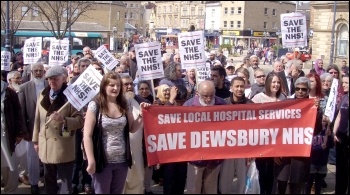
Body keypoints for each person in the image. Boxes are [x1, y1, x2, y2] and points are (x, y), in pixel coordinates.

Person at [83, 72, 150, 194]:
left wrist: (141, 115)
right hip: (102, 162)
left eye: (118, 85)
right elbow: (87, 135)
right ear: (104, 86)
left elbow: (132, 128)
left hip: (122, 161)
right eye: (112, 85)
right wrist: (91, 160)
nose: (115, 88)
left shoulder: (124, 104)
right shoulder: (95, 105)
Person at [32, 66, 84, 194]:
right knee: (49, 183)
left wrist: (64, 120)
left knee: (66, 184)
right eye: (49, 79)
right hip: (46, 145)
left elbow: (80, 120)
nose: (52, 82)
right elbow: (38, 119)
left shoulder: (71, 96)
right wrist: (36, 140)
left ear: (64, 79)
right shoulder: (43, 94)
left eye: (55, 79)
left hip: (63, 146)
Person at [184, 80, 226, 194]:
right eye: (205, 96)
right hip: (195, 158)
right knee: (193, 189)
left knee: (211, 189)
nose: (208, 99)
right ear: (197, 93)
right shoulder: (188, 106)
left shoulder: (222, 105)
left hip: (215, 158)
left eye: (211, 95)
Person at [251, 72, 287, 194]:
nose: (276, 85)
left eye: (278, 82)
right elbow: (250, 119)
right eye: (273, 82)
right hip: (261, 143)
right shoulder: (258, 98)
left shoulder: (283, 98)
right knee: (262, 173)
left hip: (277, 143)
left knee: (273, 175)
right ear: (268, 83)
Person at [17, 62, 48, 194]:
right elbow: (21, 111)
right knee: (32, 158)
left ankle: (49, 182)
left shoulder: (49, 85)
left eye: (41, 70)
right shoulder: (24, 87)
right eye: (36, 70)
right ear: (31, 72)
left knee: (48, 157)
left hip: (48, 129)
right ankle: (34, 183)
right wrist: (24, 131)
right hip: (31, 129)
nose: (38, 73)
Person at [219, 77, 253, 194]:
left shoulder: (251, 104)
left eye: (242, 86)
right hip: (227, 149)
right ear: (231, 87)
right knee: (225, 182)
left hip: (244, 149)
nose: (239, 89)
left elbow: (255, 129)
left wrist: (251, 151)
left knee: (243, 183)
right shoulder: (223, 103)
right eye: (237, 86)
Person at [120, 74, 151, 194]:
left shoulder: (142, 103)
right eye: (125, 84)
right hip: (119, 154)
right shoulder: (112, 104)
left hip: (138, 154)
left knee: (137, 183)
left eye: (131, 84)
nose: (129, 87)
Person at [1, 80, 27, 194]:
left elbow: (18, 112)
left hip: (6, 133)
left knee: (8, 162)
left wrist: (19, 132)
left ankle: (10, 190)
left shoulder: (9, 93)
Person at [162, 85, 189, 194]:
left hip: (183, 153)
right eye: (178, 101)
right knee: (169, 181)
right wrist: (171, 100)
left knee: (180, 181)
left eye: (182, 101)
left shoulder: (188, 109)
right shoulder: (167, 106)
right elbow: (162, 116)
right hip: (170, 153)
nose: (180, 104)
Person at [305, 115, 334, 194]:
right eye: (321, 121)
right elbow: (310, 147)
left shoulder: (327, 132)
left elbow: (332, 145)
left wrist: (330, 136)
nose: (323, 123)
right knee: (309, 183)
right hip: (313, 162)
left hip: (322, 162)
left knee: (319, 185)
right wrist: (321, 148)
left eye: (325, 121)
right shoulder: (312, 132)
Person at [333, 74, 349, 194]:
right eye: (343, 82)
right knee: (341, 169)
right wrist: (334, 133)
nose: (343, 85)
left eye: (346, 83)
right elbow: (339, 115)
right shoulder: (344, 97)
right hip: (341, 137)